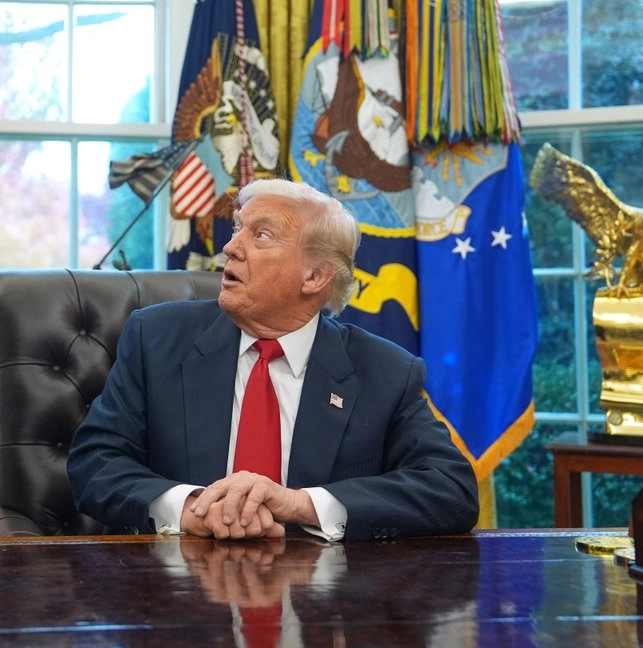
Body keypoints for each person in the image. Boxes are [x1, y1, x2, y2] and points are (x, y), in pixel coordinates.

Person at [67, 178, 478, 541]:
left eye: (260, 235)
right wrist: (193, 509)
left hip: (324, 605)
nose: (230, 247)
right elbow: (95, 462)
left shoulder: (385, 372)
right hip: (172, 590)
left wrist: (298, 504)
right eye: (237, 228)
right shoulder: (155, 339)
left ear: (315, 277)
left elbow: (450, 489)